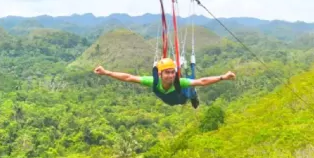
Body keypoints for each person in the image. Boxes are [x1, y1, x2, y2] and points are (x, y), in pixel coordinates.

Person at [93, 57, 236, 109]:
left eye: (172, 72)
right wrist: (107, 72)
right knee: (189, 85)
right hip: (169, 99)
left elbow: (202, 81)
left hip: (181, 98)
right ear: (160, 74)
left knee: (191, 87)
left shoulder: (179, 81)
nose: (170, 76)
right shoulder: (153, 81)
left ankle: (194, 97)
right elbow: (129, 77)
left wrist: (223, 77)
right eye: (167, 73)